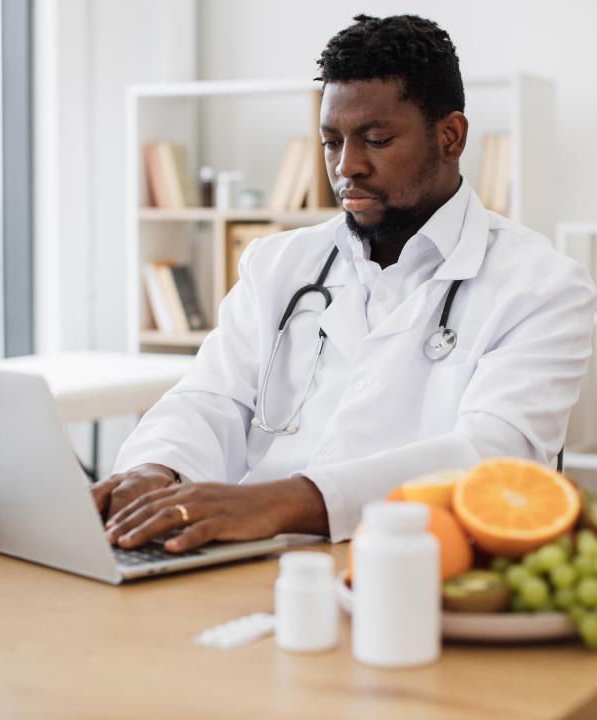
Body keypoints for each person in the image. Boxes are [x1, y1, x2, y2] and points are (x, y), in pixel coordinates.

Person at [92, 14, 596, 554]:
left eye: (375, 140)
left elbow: (493, 457)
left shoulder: (542, 287)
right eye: (331, 141)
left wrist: (282, 502)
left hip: (409, 564)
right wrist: (158, 469)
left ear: (451, 137)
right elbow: (210, 399)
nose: (346, 166)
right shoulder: (277, 265)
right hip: (237, 557)